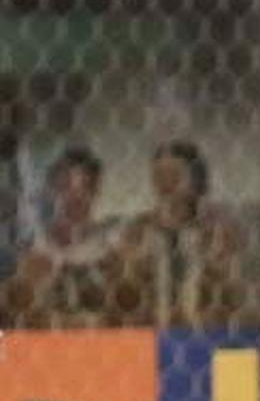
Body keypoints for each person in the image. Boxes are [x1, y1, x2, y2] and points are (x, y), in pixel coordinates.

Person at [112, 140, 239, 327]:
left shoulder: (216, 229)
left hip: (204, 332)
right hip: (151, 335)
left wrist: (211, 266)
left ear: (195, 180)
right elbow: (122, 294)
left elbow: (231, 292)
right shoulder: (139, 228)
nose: (165, 185)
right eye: (159, 176)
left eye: (174, 175)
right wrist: (134, 269)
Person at [1, 146, 118, 327]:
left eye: (86, 187)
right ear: (51, 190)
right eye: (64, 186)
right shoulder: (30, 249)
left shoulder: (111, 249)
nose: (74, 196)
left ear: (97, 191)